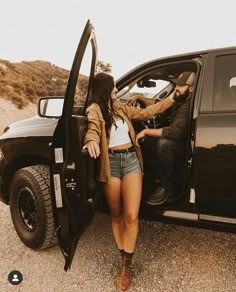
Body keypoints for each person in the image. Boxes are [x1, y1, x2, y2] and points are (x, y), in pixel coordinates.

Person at [83, 72, 175, 291]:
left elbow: (145, 113)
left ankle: (126, 265)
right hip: (111, 164)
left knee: (131, 216)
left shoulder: (121, 107)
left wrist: (172, 100)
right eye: (114, 86)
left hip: (132, 160)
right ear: (105, 89)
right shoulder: (94, 109)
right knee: (116, 214)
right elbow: (92, 129)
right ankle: (122, 255)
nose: (116, 89)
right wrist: (91, 141)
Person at [135, 71, 196, 206]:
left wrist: (146, 131)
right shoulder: (181, 99)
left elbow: (175, 132)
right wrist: (139, 97)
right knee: (149, 141)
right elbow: (160, 104)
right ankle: (149, 179)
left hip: (187, 146)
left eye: (180, 86)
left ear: (190, 89)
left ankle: (166, 187)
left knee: (164, 144)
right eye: (176, 86)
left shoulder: (188, 106)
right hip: (181, 141)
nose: (176, 89)